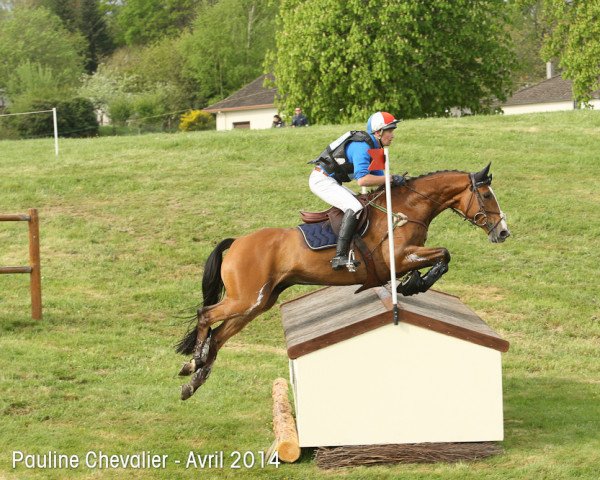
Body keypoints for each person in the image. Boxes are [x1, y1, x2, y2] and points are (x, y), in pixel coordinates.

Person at [309, 111, 406, 270]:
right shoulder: (362, 147)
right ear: (378, 132)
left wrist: (399, 184)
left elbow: (381, 182)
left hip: (332, 180)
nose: (392, 135)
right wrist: (391, 178)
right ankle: (339, 256)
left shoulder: (377, 149)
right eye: (389, 130)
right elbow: (363, 180)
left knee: (365, 206)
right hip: (321, 180)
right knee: (355, 207)